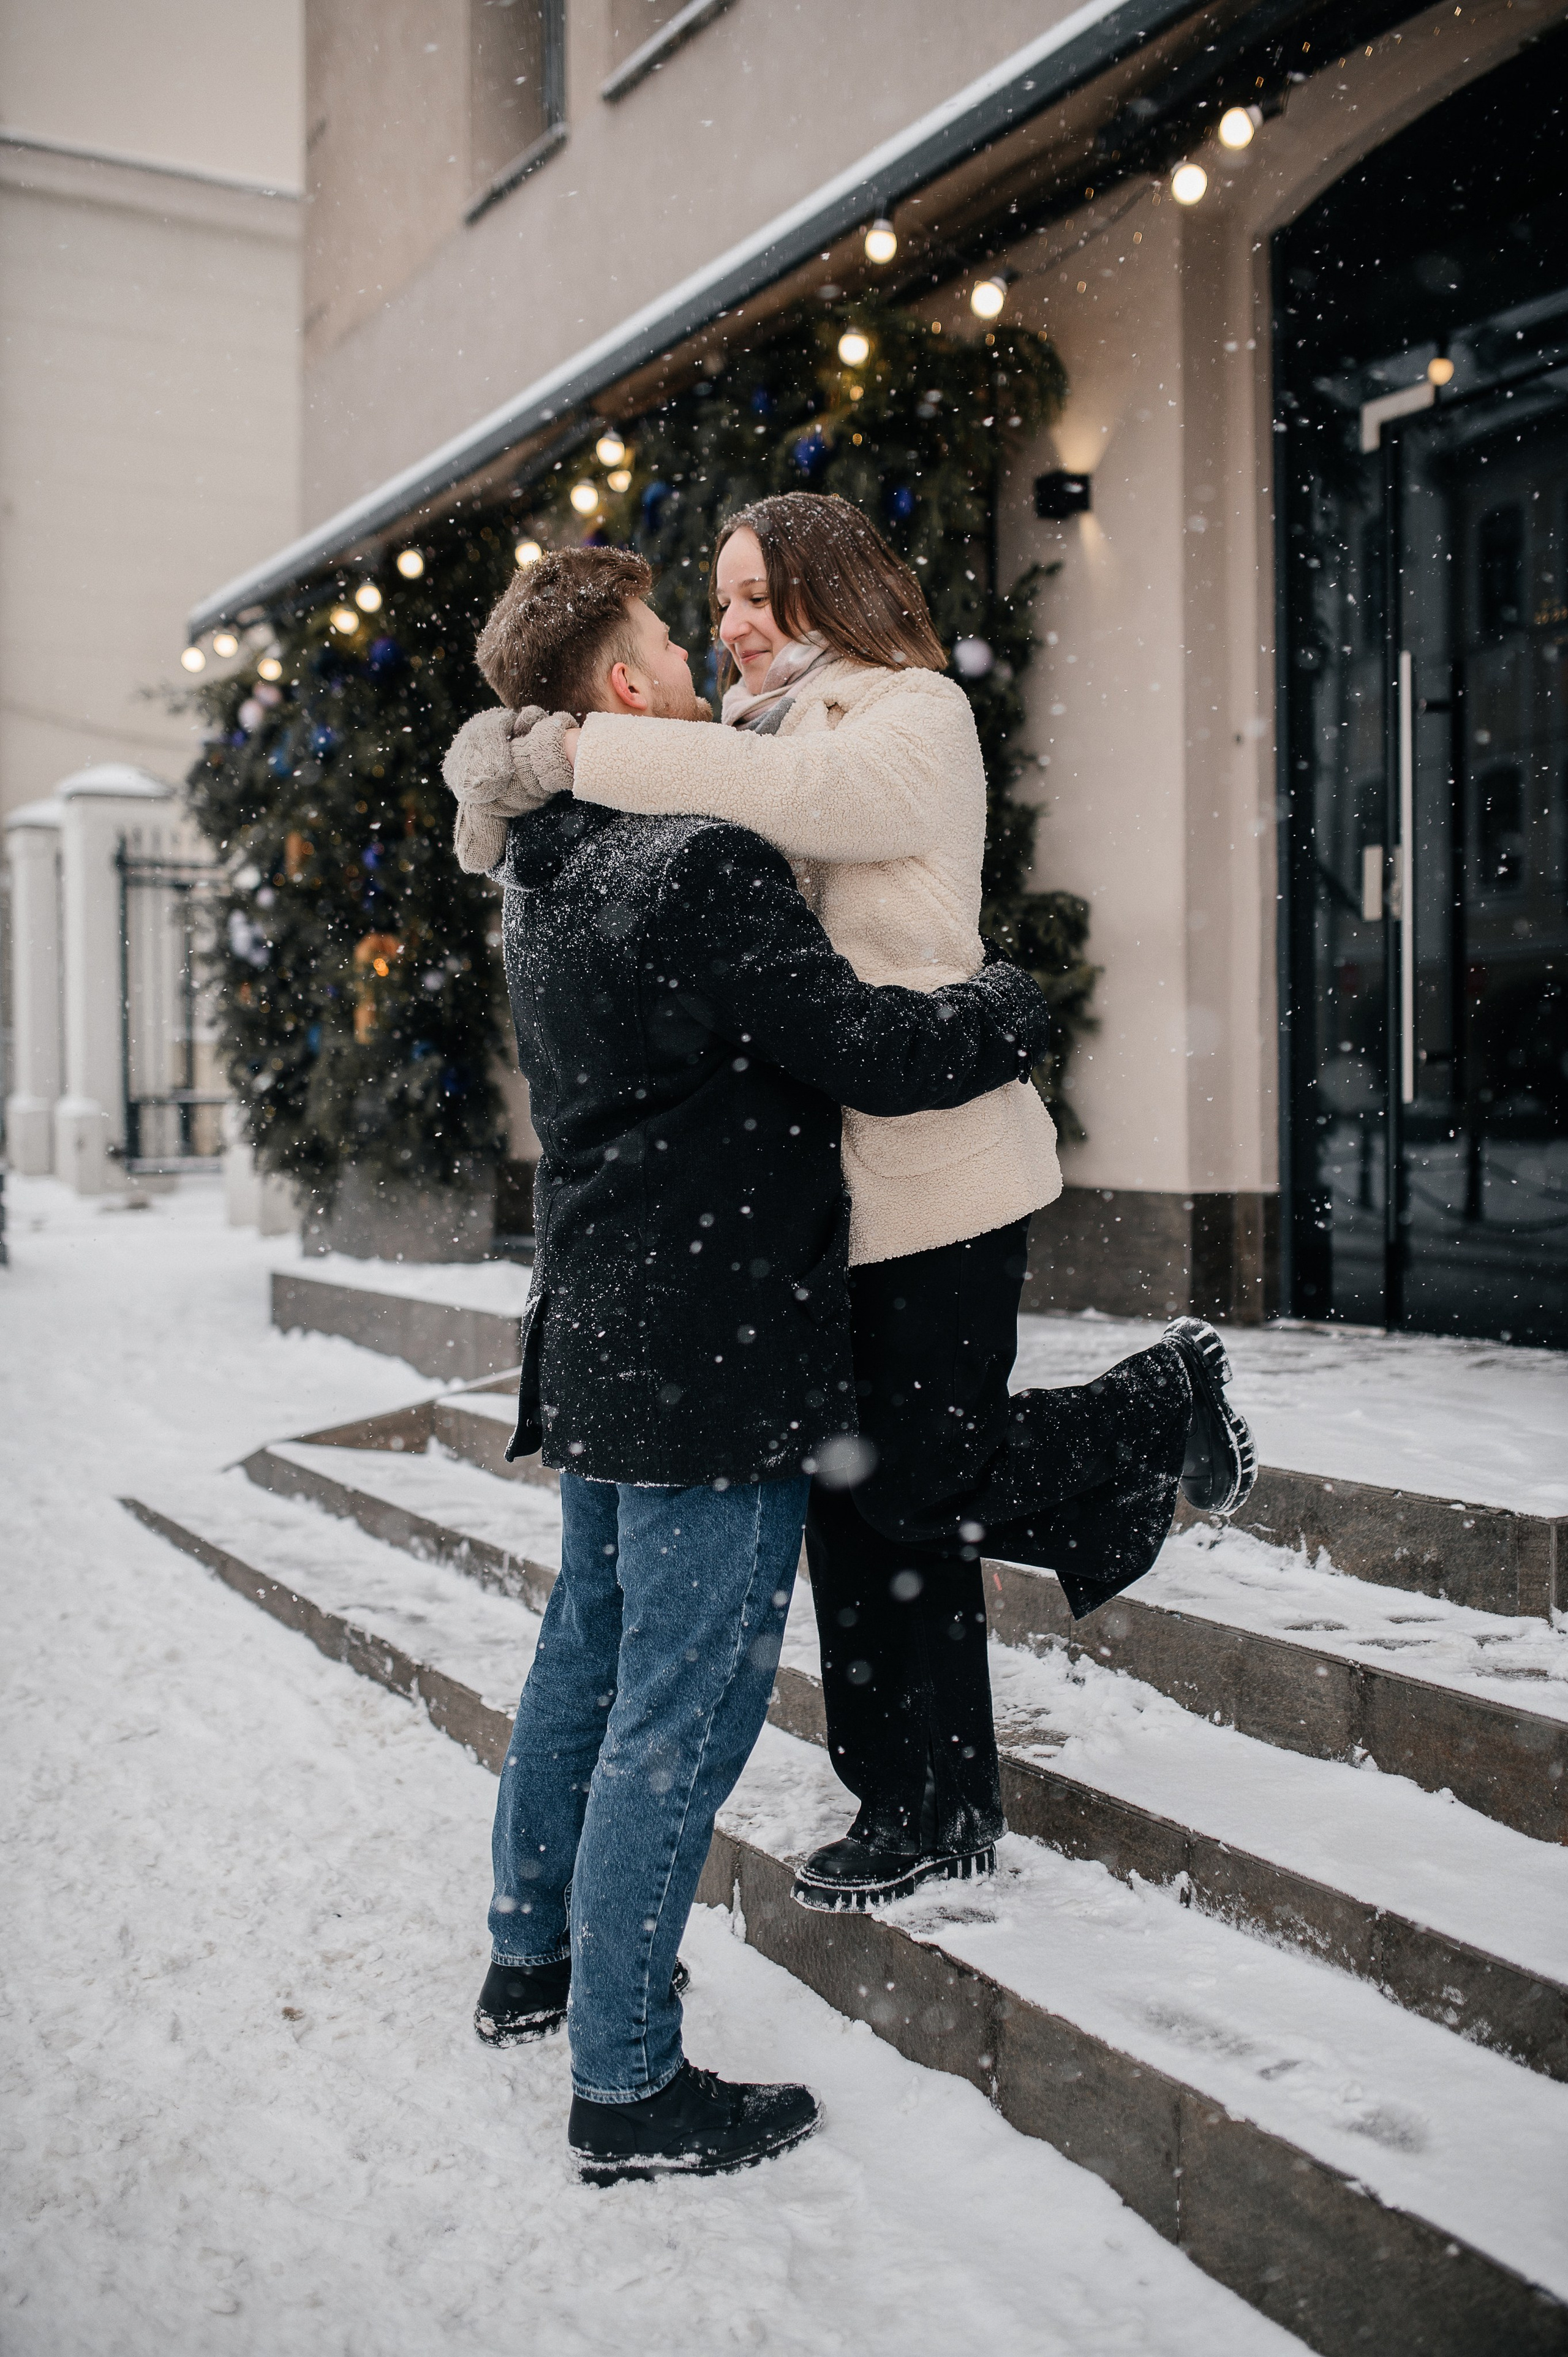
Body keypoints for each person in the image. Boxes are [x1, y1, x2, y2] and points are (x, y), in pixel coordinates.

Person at [511, 492, 1257, 1913]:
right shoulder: (744, 734)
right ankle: (925, 1803)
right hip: (826, 1195)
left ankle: (1158, 1403)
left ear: (824, 590)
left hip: (943, 1167)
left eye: (747, 596)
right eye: (713, 603)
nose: (723, 625)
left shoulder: (907, 713)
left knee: (920, 1478)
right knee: (859, 1512)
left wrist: (566, 743)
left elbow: (807, 814)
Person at [441, 545, 1052, 2182]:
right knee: (684, 1710)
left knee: (587, 1654)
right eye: (666, 635)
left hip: (602, 1331)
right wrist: (1003, 1004)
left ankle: (530, 1956)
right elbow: (859, 1043)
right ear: (626, 689)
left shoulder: (551, 864)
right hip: (707, 1352)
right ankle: (628, 2085)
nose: (694, 652)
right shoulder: (698, 862)